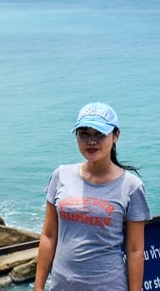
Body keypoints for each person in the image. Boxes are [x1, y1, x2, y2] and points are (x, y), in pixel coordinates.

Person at [35, 102, 151, 291]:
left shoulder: (131, 187)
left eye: (100, 134)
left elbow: (135, 249)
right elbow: (48, 236)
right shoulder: (60, 175)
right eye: (84, 134)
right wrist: (38, 287)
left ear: (116, 136)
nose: (91, 141)